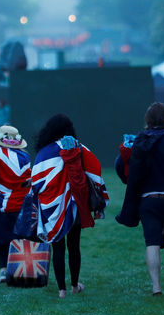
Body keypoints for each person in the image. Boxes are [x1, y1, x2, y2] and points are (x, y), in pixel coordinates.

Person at [115, 102, 164, 296]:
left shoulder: (140, 141)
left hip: (148, 201)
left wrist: (128, 181)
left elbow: (120, 164)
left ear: (147, 121)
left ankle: (156, 287)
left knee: (152, 243)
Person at [32, 114, 108, 298]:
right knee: (74, 246)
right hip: (76, 206)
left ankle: (61, 291)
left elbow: (36, 181)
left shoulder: (45, 153)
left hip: (54, 208)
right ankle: (74, 285)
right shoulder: (79, 148)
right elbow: (95, 169)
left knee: (58, 248)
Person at [0, 125, 32, 284]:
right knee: (19, 239)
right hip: (20, 205)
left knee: (1, 239)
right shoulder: (26, 158)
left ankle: (3, 271)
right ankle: (21, 271)